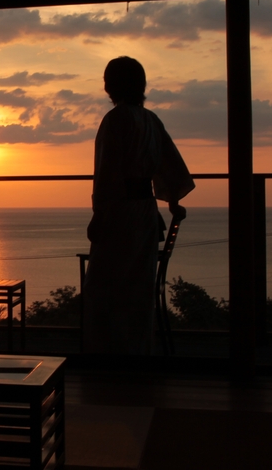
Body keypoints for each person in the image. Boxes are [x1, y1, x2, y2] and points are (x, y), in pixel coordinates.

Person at [83, 57, 194, 354]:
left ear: (111, 85)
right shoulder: (150, 119)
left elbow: (107, 172)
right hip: (145, 213)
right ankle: (138, 351)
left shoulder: (117, 119)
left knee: (105, 289)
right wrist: (171, 201)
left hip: (119, 213)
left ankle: (108, 354)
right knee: (137, 290)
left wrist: (99, 215)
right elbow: (171, 163)